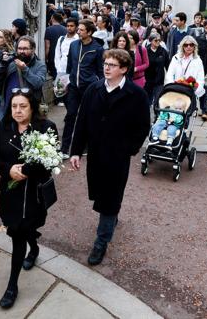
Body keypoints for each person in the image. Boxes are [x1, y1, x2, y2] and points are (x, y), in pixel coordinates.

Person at [69, 49, 150, 266]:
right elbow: (82, 121)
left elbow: (143, 127)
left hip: (117, 156)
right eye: (106, 63)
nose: (106, 67)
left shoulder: (137, 95)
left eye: (112, 65)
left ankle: (101, 242)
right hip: (96, 153)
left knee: (110, 198)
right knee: (99, 193)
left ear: (124, 69)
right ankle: (111, 217)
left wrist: (128, 149)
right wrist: (75, 150)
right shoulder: (93, 90)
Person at [0, 89, 58, 309]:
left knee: (20, 231)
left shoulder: (46, 128)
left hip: (34, 193)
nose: (18, 111)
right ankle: (34, 249)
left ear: (32, 107)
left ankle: (12, 285)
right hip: (11, 192)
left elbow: (49, 161)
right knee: (17, 229)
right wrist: (8, 170)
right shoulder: (4, 126)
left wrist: (27, 170)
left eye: (23, 106)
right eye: (14, 106)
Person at [61, 19, 104, 158]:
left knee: (87, 117)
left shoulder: (97, 48)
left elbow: (100, 71)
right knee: (70, 116)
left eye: (81, 30)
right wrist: (67, 81)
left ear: (90, 32)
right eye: (78, 29)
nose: (78, 32)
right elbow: (69, 66)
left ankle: (84, 146)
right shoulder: (74, 45)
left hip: (89, 88)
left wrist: (96, 85)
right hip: (74, 87)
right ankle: (64, 149)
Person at [0, 35, 47, 111]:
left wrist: (24, 69)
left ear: (33, 49)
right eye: (19, 48)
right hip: (9, 107)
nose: (22, 51)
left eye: (25, 49)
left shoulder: (40, 65)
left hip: (29, 108)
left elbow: (38, 83)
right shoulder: (11, 63)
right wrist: (2, 64)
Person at [144, 32, 168, 103]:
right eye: (155, 40)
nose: (158, 42)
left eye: (159, 40)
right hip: (147, 80)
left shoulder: (163, 51)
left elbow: (168, 65)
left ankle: (157, 113)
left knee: (158, 100)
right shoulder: (145, 51)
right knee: (147, 100)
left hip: (159, 80)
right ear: (150, 41)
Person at [44, 13, 67, 78]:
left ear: (53, 19)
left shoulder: (48, 29)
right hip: (62, 56)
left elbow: (47, 46)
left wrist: (45, 58)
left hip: (52, 56)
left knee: (55, 77)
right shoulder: (65, 29)